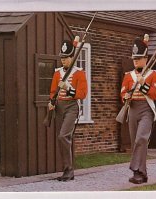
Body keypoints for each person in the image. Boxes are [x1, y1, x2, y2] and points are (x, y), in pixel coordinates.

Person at [120, 35, 156, 184]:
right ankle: (142, 173)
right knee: (135, 142)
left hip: (146, 109)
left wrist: (143, 84)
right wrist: (125, 97)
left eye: (139, 58)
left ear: (146, 58)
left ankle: (135, 170)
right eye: (134, 59)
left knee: (141, 139)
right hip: (132, 109)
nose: (136, 61)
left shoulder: (153, 75)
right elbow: (123, 92)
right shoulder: (128, 76)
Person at [48, 38, 88, 182]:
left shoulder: (79, 73)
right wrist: (51, 102)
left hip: (72, 107)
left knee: (63, 136)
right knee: (64, 138)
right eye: (62, 58)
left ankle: (69, 170)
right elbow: (53, 91)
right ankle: (67, 170)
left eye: (66, 58)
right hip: (59, 107)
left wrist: (68, 88)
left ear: (72, 57)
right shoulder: (57, 72)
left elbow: (82, 94)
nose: (63, 61)